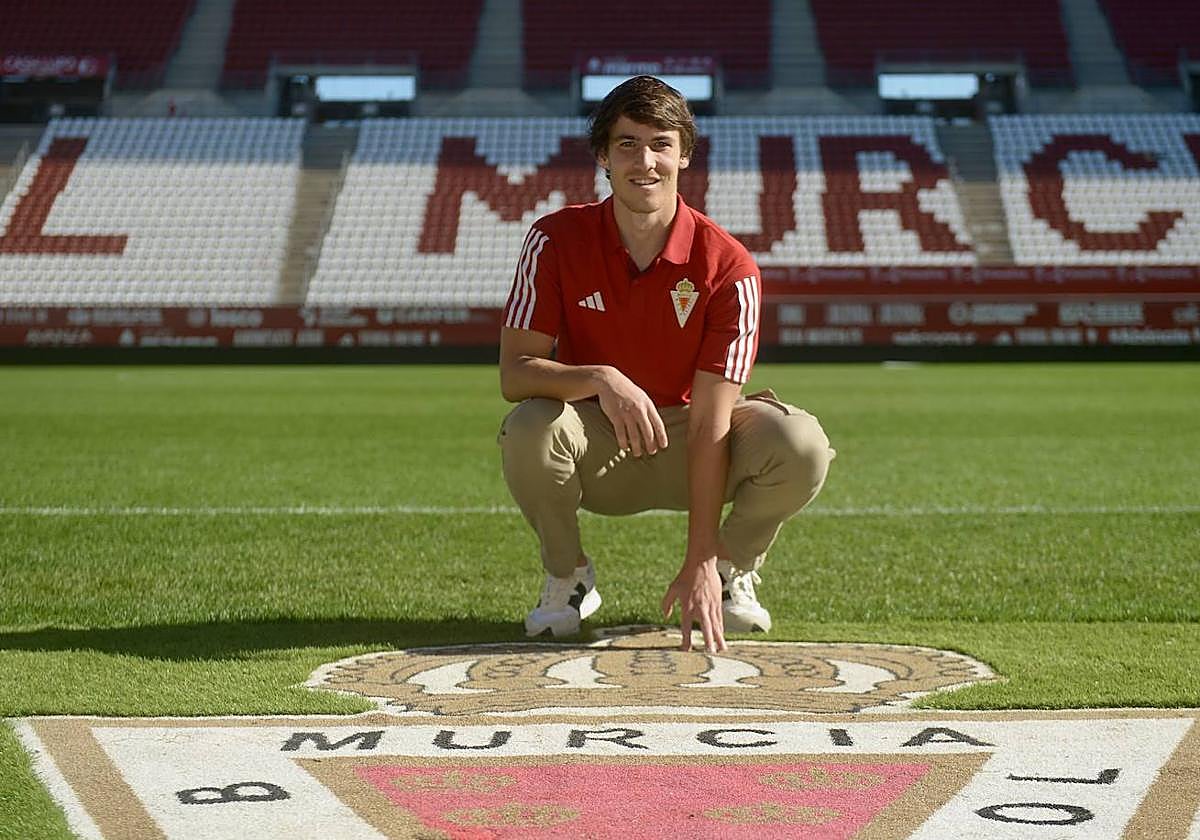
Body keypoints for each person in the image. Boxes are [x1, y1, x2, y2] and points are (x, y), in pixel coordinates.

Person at [498, 76, 835, 653]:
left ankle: (730, 571)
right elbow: (516, 373)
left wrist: (700, 555)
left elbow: (710, 421)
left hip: (694, 440)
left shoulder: (729, 265)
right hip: (600, 438)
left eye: (660, 143)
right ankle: (568, 576)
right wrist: (601, 379)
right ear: (603, 156)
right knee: (531, 427)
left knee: (800, 441)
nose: (645, 160)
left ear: (684, 153)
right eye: (627, 143)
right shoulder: (553, 239)